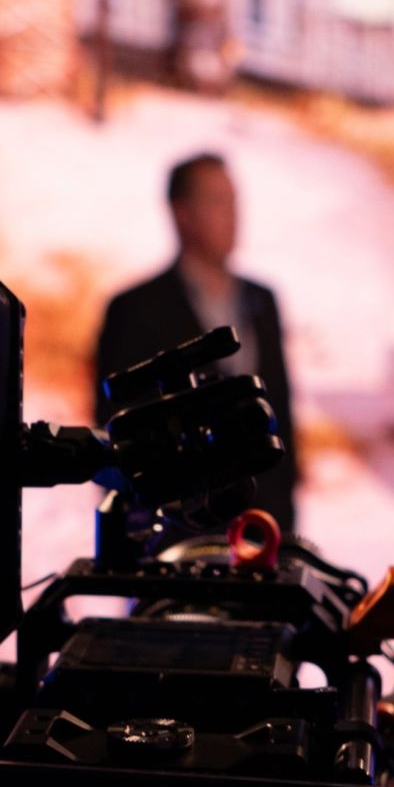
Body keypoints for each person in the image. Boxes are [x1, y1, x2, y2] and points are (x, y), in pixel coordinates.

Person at [94, 152, 299, 533]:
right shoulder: (134, 308)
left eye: (235, 200)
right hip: (174, 541)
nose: (235, 215)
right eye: (217, 201)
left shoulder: (262, 300)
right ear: (182, 213)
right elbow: (118, 427)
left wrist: (284, 522)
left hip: (261, 532)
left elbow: (282, 413)